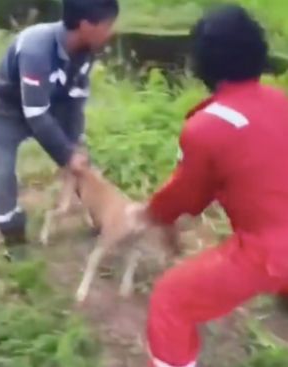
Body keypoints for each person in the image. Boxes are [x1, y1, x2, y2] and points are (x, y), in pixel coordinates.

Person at [130, 5, 288, 367]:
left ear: (200, 63)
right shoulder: (280, 102)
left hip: (269, 250)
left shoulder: (207, 126)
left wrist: (152, 212)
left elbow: (186, 196)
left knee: (171, 299)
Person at [0, 0, 119, 260]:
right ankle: (14, 241)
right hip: (6, 111)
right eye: (108, 25)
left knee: (82, 162)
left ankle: (102, 221)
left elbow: (75, 102)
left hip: (51, 108)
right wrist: (66, 154)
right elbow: (35, 114)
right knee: (0, 173)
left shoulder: (87, 50)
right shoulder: (36, 47)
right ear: (86, 25)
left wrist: (75, 145)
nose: (112, 32)